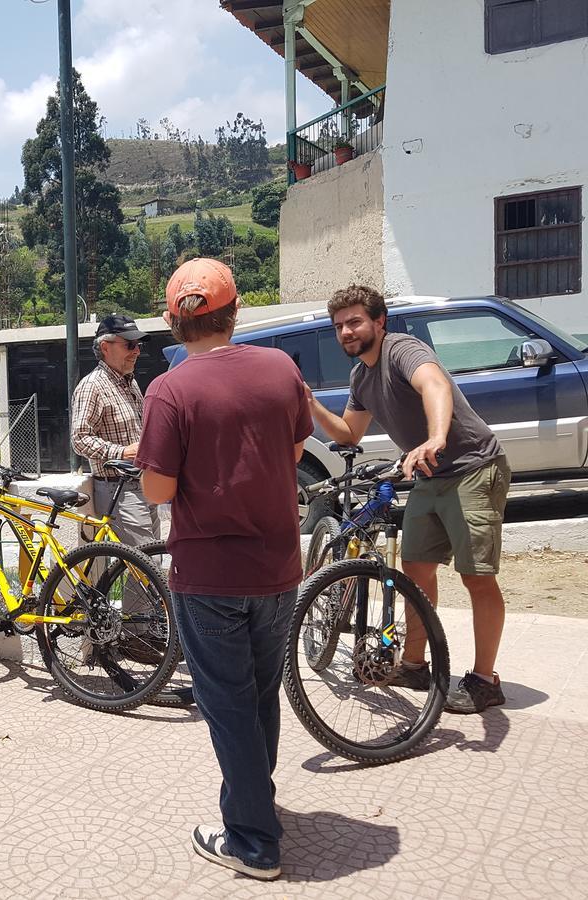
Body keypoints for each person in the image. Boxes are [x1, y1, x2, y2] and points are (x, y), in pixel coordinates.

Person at [137, 259, 311, 882]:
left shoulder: (169, 390)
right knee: (262, 694)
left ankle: (253, 841)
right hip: (277, 567)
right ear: (236, 310)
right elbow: (294, 450)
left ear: (172, 322)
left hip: (209, 573)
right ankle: (257, 804)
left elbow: (157, 490)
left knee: (228, 706)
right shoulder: (280, 369)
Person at [306, 284, 511, 714]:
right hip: (427, 477)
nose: (346, 331)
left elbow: (434, 384)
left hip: (473, 467)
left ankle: (485, 680)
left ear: (379, 322)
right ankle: (416, 664)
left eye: (355, 321)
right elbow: (348, 434)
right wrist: (308, 402)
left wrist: (436, 437)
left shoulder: (402, 349)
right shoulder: (361, 376)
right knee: (414, 574)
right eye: (339, 325)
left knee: (477, 577)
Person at [70, 313, 162, 664]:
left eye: (138, 344)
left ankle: (141, 630)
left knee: (146, 559)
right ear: (105, 347)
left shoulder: (128, 382)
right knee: (144, 560)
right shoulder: (92, 386)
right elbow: (79, 439)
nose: (137, 351)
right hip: (117, 487)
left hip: (142, 484)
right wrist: (120, 451)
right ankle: (137, 636)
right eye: (129, 344)